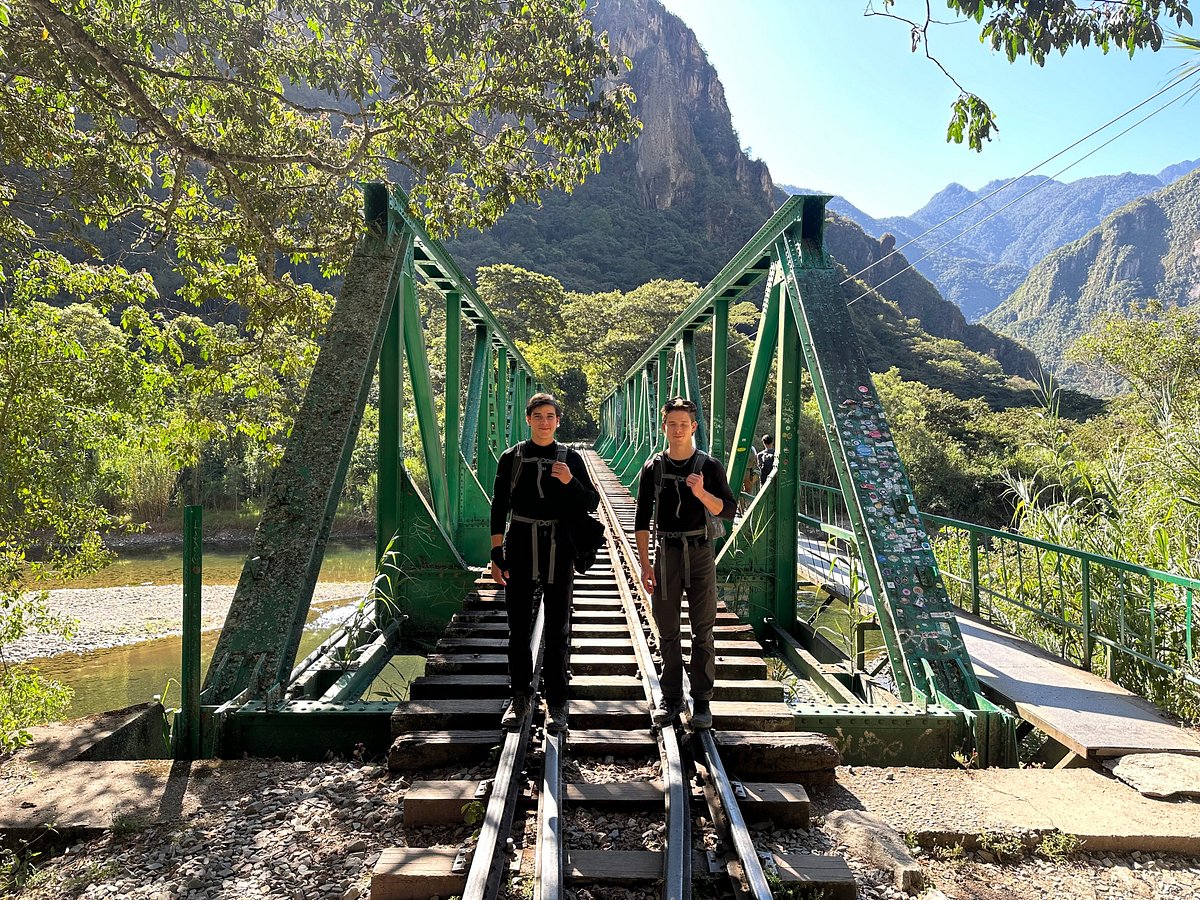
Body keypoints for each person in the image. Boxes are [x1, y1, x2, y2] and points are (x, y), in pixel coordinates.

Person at [491, 393, 599, 735]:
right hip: (521, 542)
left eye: (550, 416)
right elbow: (499, 506)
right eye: (538, 415)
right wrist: (496, 553)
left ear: (557, 420)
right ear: (528, 419)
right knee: (519, 628)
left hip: (559, 546)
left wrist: (569, 480)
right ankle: (520, 697)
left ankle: (557, 702)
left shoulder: (570, 457)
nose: (544, 421)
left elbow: (592, 501)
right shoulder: (512, 457)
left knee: (558, 629)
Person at [634, 397, 736, 730]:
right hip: (666, 552)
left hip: (700, 550)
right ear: (664, 427)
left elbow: (728, 510)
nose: (678, 430)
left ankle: (702, 702)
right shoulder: (653, 467)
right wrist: (645, 564)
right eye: (672, 424)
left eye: (684, 424)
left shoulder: (709, 466)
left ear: (693, 427)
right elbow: (641, 518)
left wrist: (703, 494)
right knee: (667, 629)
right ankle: (672, 697)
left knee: (703, 628)